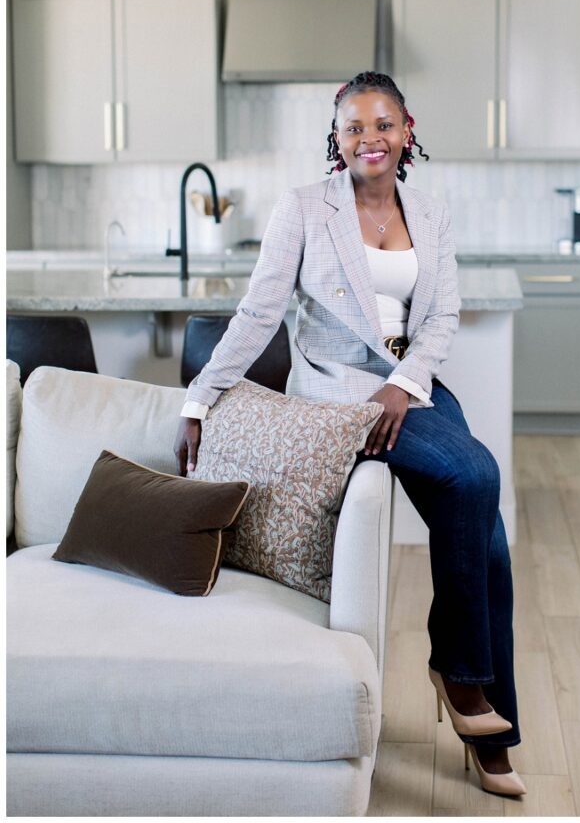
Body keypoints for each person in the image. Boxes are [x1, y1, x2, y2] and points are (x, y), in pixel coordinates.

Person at [174, 70, 525, 798]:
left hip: (413, 391)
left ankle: (486, 721)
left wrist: (404, 384)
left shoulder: (429, 213)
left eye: (382, 124)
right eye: (353, 127)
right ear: (335, 141)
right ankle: (463, 685)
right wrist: (200, 398)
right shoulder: (304, 209)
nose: (370, 138)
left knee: (484, 533)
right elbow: (258, 314)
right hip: (339, 399)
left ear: (407, 131)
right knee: (475, 476)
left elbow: (440, 320)